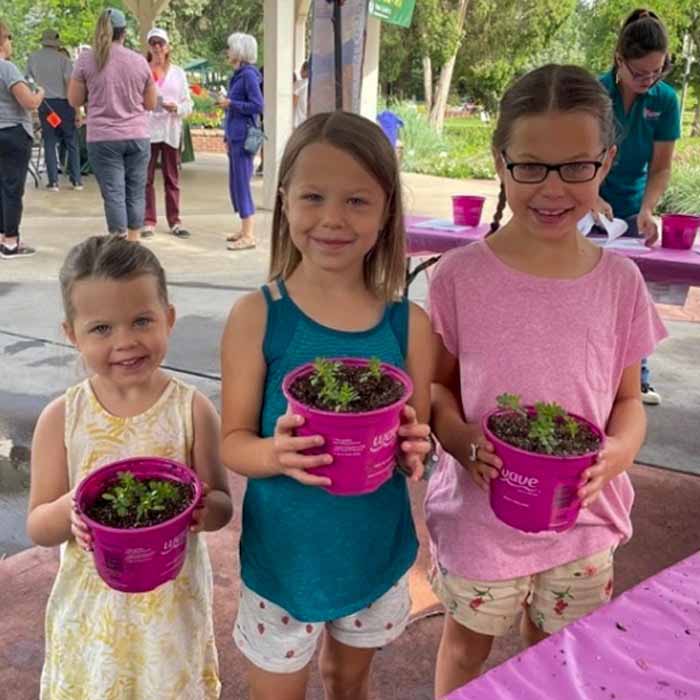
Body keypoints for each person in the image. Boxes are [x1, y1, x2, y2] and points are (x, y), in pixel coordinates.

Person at [426, 65, 667, 698]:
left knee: (558, 659)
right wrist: (458, 439)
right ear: (500, 161)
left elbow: (626, 402)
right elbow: (438, 389)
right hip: (482, 522)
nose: (553, 188)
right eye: (531, 166)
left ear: (607, 160)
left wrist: (618, 454)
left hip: (584, 520)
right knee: (466, 648)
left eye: (577, 166)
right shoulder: (457, 277)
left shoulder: (621, 284)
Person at [220, 111, 434, 700]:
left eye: (358, 201)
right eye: (313, 196)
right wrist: (277, 453)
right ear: (284, 200)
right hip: (283, 563)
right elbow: (233, 442)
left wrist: (418, 449)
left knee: (348, 682)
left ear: (387, 209)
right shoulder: (258, 316)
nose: (333, 219)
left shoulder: (409, 326)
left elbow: (420, 438)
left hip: (372, 552)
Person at [27, 235, 233, 699]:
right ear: (71, 334)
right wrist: (70, 511)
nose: (125, 342)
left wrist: (206, 510)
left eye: (142, 320)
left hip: (169, 614)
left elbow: (221, 502)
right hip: (93, 616)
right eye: (101, 329)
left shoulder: (192, 409)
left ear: (170, 319)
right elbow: (39, 525)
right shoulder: (62, 417)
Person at [594, 8, 680, 406]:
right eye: (641, 73)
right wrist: (590, 195)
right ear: (619, 60)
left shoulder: (665, 100)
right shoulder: (595, 94)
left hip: (630, 207)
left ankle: (636, 379)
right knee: (588, 289)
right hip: (588, 204)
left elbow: (660, 167)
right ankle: (593, 374)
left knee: (632, 294)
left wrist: (647, 209)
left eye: (657, 72)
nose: (649, 81)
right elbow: (581, 152)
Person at [68, 8, 157, 242]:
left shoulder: (86, 60)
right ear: (124, 33)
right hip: (137, 135)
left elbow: (74, 100)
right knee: (136, 191)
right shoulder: (139, 61)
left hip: (103, 138)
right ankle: (134, 244)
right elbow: (150, 103)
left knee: (114, 193)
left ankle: (118, 244)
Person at [141, 27, 193, 239]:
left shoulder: (178, 73)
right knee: (146, 178)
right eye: (153, 43)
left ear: (168, 46)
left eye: (160, 43)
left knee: (172, 177)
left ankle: (175, 221)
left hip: (171, 130)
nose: (157, 47)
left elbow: (188, 103)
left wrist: (177, 109)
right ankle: (148, 220)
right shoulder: (143, 70)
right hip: (148, 130)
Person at [0, 20, 43, 259]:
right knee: (12, 188)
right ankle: (11, 240)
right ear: (3, 41)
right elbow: (29, 102)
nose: (11, 43)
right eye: (9, 38)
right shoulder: (7, 69)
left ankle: (1, 235)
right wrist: (39, 93)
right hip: (13, 132)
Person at [218, 32, 263, 251]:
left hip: (245, 136)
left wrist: (231, 104)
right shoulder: (239, 75)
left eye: (230, 48)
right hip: (235, 135)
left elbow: (257, 105)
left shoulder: (248, 76)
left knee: (242, 184)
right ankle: (244, 229)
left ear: (239, 51)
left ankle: (249, 234)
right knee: (236, 183)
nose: (228, 52)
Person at [27, 28, 83, 191]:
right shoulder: (64, 60)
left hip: (45, 104)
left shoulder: (33, 58)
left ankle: (53, 181)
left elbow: (28, 80)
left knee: (50, 142)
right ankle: (77, 180)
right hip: (64, 104)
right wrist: (77, 110)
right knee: (71, 141)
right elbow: (71, 84)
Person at [292, 60, 309, 128]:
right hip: (307, 121)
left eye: (301, 69)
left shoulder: (299, 84)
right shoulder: (314, 85)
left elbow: (293, 103)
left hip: (297, 122)